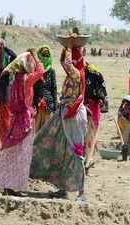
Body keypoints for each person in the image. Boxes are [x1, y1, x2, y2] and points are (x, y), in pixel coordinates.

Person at [30, 46, 88, 201]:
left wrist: (68, 46)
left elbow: (66, 63)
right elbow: (64, 62)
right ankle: (63, 188)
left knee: (76, 152)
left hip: (72, 115)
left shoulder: (76, 73)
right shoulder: (76, 73)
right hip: (66, 112)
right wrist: (66, 48)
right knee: (62, 149)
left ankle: (82, 192)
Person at [0, 50, 44, 196]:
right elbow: (41, 71)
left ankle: (8, 185)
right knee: (23, 154)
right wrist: (36, 55)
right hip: (25, 120)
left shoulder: (16, 80)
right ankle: (16, 187)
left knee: (12, 152)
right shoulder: (27, 80)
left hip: (15, 120)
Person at [84, 63, 108, 169]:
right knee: (92, 133)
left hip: (87, 107)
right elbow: (103, 94)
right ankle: (89, 157)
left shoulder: (85, 75)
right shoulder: (97, 76)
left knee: (88, 133)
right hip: (93, 107)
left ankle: (87, 157)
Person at [33, 45, 58, 132]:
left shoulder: (51, 71)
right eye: (43, 54)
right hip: (38, 104)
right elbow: (33, 88)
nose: (46, 57)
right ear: (39, 55)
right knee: (36, 131)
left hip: (48, 105)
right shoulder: (36, 70)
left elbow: (54, 88)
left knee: (47, 132)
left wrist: (55, 106)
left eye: (47, 55)